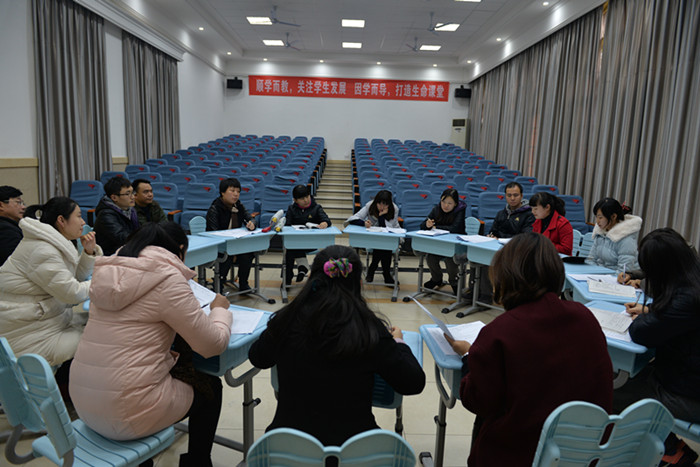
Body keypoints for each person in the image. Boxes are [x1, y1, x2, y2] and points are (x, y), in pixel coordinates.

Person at [69, 222, 232, 467]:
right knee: (210, 388)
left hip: (83, 404)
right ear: (180, 250)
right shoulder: (167, 278)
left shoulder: (106, 275)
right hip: (127, 413)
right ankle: (197, 463)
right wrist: (219, 311)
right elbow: (212, 345)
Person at [445, 233, 613, 466]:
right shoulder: (585, 317)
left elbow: (478, 402)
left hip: (522, 454)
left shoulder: (499, 332)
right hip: (584, 453)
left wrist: (467, 356)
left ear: (505, 275)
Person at [249, 245, 425, 446]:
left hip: (288, 447)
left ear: (311, 279)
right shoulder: (369, 329)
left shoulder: (286, 320)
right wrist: (398, 342)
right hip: (354, 448)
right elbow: (413, 382)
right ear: (359, 283)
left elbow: (258, 357)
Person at [614, 228, 700, 466]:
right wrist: (650, 310)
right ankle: (672, 448)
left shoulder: (686, 299)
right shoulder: (692, 281)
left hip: (690, 396)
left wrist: (647, 315)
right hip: (688, 379)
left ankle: (667, 450)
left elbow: (640, 332)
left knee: (616, 392)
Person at [0, 196, 101, 368]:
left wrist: (88, 252)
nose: (83, 222)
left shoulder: (53, 244)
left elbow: (74, 279)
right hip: (27, 334)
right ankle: (68, 382)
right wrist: (103, 281)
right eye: (78, 216)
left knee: (96, 321)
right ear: (61, 220)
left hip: (43, 321)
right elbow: (72, 293)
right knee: (99, 337)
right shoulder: (42, 250)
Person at [206, 178, 256, 292]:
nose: (236, 194)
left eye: (238, 191)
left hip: (235, 243)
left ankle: (243, 283)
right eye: (232, 191)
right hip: (218, 245)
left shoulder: (238, 205)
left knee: (248, 253)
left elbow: (250, 218)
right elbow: (213, 232)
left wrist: (252, 223)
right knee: (227, 254)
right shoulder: (215, 209)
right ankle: (218, 284)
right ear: (222, 192)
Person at [344, 190, 400, 284]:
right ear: (376, 202)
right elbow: (354, 218)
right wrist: (364, 223)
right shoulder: (370, 205)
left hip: (388, 237)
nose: (382, 207)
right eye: (379, 203)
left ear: (389, 204)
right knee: (383, 245)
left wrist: (381, 216)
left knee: (384, 244)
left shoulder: (394, 208)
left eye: (385, 204)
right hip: (373, 238)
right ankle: (386, 274)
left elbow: (388, 227)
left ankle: (372, 268)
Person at [420, 188, 467, 295]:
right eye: (443, 202)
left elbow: (455, 228)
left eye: (450, 203)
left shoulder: (460, 210)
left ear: (455, 204)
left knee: (450, 260)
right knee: (430, 257)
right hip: (440, 245)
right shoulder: (436, 209)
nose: (446, 205)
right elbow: (423, 225)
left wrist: (436, 227)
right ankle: (436, 279)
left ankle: (454, 282)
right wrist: (427, 225)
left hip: (455, 246)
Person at [283, 184, 332, 286]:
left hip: (312, 242)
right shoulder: (291, 209)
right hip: (297, 241)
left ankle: (302, 268)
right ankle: (289, 279)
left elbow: (327, 220)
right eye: (302, 198)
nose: (306, 200)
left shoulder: (317, 208)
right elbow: (287, 226)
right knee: (290, 249)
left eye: (307, 196)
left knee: (291, 249)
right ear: (295, 200)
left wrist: (325, 223)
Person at [586, 197, 642, 271]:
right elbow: (591, 259)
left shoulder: (626, 239)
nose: (597, 221)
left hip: (620, 277)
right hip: (602, 275)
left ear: (613, 216)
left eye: (600, 218)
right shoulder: (600, 233)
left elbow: (624, 272)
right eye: (596, 217)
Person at [94, 176, 139, 255]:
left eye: (133, 192)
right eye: (128, 194)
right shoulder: (106, 215)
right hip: (110, 254)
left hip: (125, 249)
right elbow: (121, 238)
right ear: (114, 197)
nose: (132, 197)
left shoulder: (130, 210)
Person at [0, 185, 26, 266]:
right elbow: (18, 263)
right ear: (1, 205)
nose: (23, 207)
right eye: (18, 202)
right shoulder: (6, 230)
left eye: (23, 203)